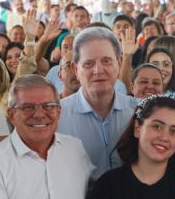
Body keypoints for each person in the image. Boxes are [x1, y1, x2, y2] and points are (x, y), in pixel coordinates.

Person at [59, 27, 138, 178]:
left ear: (119, 63)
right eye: (88, 63)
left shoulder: (139, 111)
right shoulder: (58, 117)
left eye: (106, 61)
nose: (98, 70)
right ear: (75, 69)